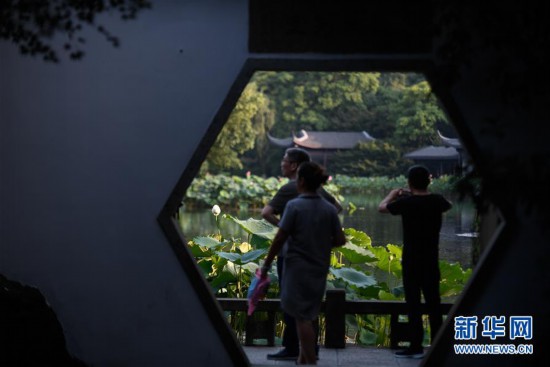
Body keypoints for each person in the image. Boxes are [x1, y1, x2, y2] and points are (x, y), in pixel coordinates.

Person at [260, 161, 346, 365]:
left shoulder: (294, 206)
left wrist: (266, 265)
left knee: (300, 316)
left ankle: (310, 360)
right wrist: (319, 244)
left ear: (303, 181)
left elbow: (280, 238)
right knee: (310, 312)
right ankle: (302, 358)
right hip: (319, 265)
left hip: (297, 266)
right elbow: (340, 240)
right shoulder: (328, 209)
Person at [378, 165, 452, 359]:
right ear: (429, 181)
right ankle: (437, 345)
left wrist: (393, 194)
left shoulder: (406, 203)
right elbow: (448, 204)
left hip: (411, 260)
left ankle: (416, 346)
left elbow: (382, 208)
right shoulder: (438, 201)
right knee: (433, 304)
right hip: (431, 260)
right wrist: (417, 191)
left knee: (414, 305)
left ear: (409, 182)